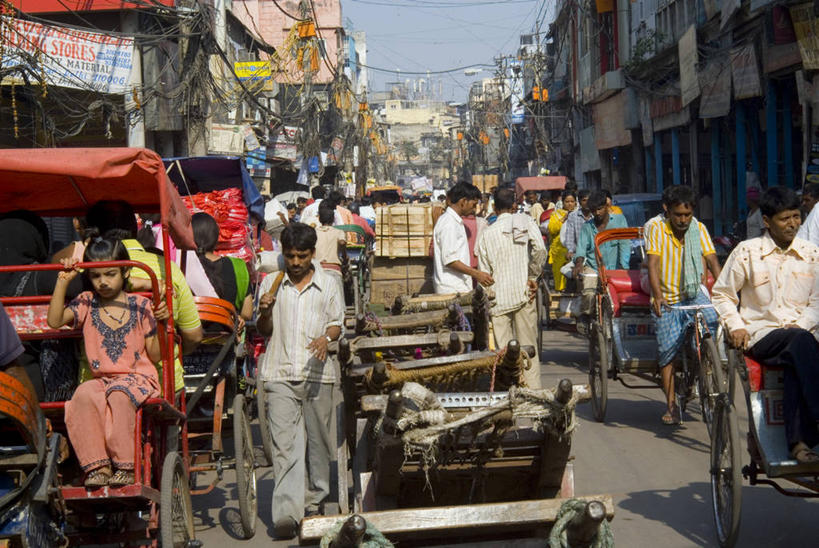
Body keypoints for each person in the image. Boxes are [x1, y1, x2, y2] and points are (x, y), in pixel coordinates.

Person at [712, 187, 819, 462]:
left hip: (804, 336)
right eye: (785, 219)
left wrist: (801, 325)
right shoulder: (747, 252)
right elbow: (723, 294)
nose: (793, 224)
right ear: (767, 221)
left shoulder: (812, 253)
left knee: (798, 354)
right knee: (800, 344)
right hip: (763, 336)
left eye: (796, 217)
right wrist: (735, 325)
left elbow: (817, 301)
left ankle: (798, 445)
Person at [47, 238, 164, 487]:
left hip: (139, 379)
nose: (103, 281)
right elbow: (55, 321)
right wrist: (62, 281)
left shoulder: (141, 305)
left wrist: (162, 324)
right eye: (96, 275)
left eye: (110, 274)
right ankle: (98, 466)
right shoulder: (87, 302)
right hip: (103, 380)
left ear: (125, 272)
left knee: (120, 394)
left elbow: (155, 355)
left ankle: (125, 465)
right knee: (82, 395)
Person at [257, 223, 344, 538]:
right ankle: (287, 514)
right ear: (283, 253)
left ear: (312, 254)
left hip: (318, 375)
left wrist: (325, 338)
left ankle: (315, 500)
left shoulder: (330, 283)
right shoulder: (270, 283)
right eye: (290, 256)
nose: (295, 263)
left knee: (319, 444)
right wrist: (265, 312)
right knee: (286, 446)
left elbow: (337, 323)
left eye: (302, 256)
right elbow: (263, 329)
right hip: (280, 374)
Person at [85, 200, 202, 393]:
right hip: (161, 382)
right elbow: (194, 335)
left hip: (96, 383)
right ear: (134, 228)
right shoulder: (166, 269)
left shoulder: (86, 274)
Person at [646, 185, 721, 425]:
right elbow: (653, 265)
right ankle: (671, 405)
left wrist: (722, 291)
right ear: (668, 211)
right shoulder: (657, 229)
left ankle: (703, 367)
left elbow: (712, 259)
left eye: (687, 215)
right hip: (668, 296)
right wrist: (658, 296)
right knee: (667, 352)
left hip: (693, 294)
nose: (683, 220)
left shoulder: (698, 228)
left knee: (713, 323)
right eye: (678, 215)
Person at [477, 188, 547, 388]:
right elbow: (540, 250)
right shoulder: (525, 222)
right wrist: (531, 276)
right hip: (523, 295)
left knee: (504, 353)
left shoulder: (487, 234)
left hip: (498, 299)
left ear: (494, 207)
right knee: (528, 347)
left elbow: (484, 273)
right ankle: (533, 392)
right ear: (514, 206)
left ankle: (510, 392)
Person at [572, 191, 630, 323]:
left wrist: (624, 269)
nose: (597, 213)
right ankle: (585, 315)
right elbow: (581, 248)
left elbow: (625, 245)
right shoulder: (587, 227)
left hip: (614, 269)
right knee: (588, 291)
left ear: (607, 206)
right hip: (594, 268)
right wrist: (579, 264)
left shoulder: (619, 220)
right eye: (593, 211)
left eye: (600, 209)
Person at [191, 212, 253, 321]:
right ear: (216, 237)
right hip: (228, 334)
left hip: (193, 334)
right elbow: (247, 314)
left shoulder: (184, 266)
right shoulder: (238, 266)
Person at [433, 182, 493, 294]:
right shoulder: (449, 223)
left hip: (457, 286)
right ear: (463, 202)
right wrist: (477, 274)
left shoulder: (455, 221)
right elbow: (450, 260)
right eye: (473, 205)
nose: (474, 209)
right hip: (451, 288)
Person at [314, 201, 347, 297]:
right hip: (334, 270)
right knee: (338, 302)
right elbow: (342, 242)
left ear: (319, 219)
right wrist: (344, 256)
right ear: (333, 220)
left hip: (317, 270)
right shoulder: (339, 232)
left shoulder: (313, 233)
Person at [547, 190, 576, 292]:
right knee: (559, 275)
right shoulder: (556, 215)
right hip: (559, 250)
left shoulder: (578, 214)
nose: (570, 204)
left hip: (574, 249)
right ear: (563, 202)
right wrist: (564, 219)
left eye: (572, 201)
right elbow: (552, 229)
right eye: (567, 201)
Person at [562, 189, 592, 261]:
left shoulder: (596, 215)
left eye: (589, 200)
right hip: (578, 254)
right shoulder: (573, 216)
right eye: (584, 200)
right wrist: (570, 251)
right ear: (579, 202)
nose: (587, 203)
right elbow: (570, 236)